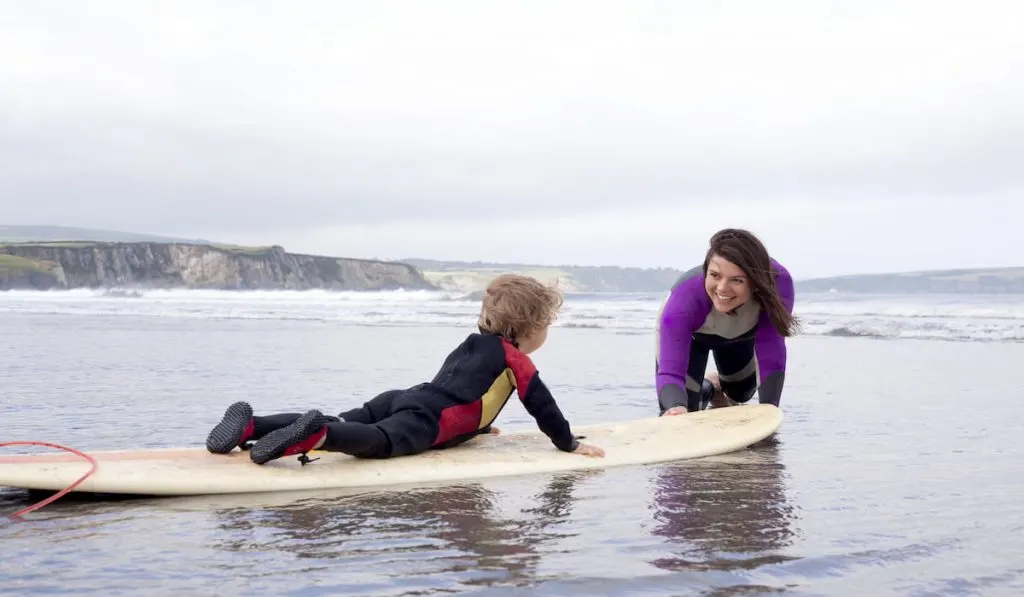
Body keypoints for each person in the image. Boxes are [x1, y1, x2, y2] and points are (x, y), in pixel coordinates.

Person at [205, 273, 606, 465]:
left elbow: (463, 386)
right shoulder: (516, 359)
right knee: (378, 441)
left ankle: (252, 427)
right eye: (546, 326)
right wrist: (567, 442)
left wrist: (479, 426)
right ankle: (317, 435)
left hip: (404, 397)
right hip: (426, 419)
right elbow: (543, 407)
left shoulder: (472, 343)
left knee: (350, 417)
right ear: (531, 328)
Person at [655, 228, 798, 416]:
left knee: (740, 393)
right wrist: (674, 409)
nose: (722, 288)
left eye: (736, 280)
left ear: (756, 282)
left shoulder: (778, 284)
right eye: (714, 275)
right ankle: (706, 388)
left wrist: (769, 412)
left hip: (741, 336)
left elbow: (771, 346)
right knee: (686, 411)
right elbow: (670, 372)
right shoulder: (684, 300)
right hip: (691, 339)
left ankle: (716, 386)